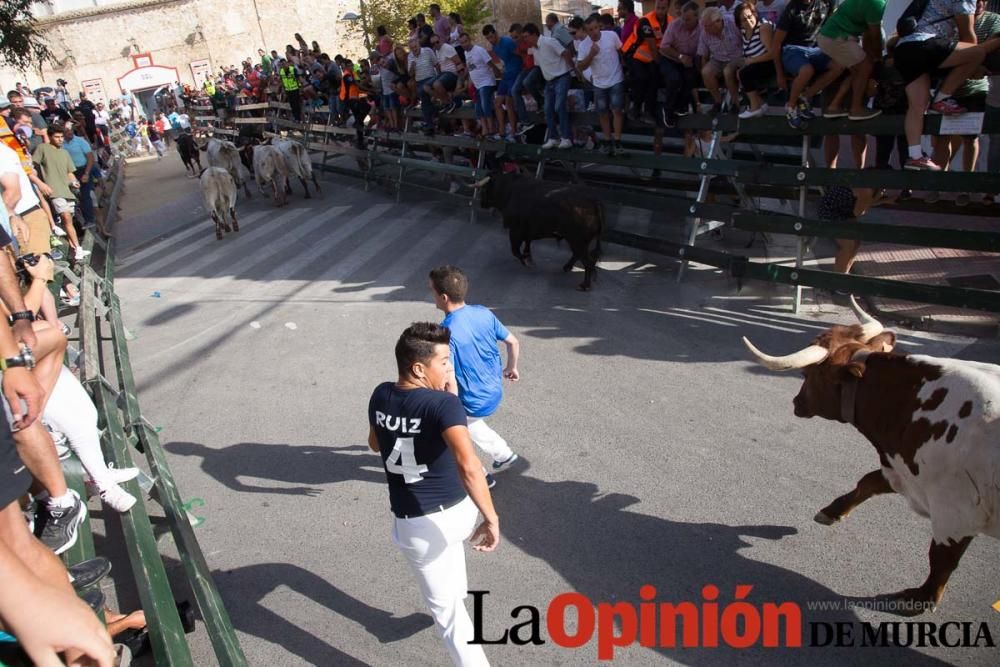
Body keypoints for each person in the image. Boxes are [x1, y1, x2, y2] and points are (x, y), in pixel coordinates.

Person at [367, 322, 499, 667]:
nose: (449, 369)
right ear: (418, 368)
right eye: (444, 363)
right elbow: (469, 466)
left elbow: (373, 443)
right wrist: (491, 517)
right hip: (458, 513)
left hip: (419, 523)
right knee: (451, 571)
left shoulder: (380, 395)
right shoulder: (444, 405)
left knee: (449, 615)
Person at [429, 265, 521, 478]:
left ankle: (479, 476)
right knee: (470, 424)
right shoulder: (483, 313)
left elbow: (447, 376)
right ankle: (503, 453)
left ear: (443, 297)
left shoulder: (445, 332)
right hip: (494, 392)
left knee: (451, 434)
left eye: (431, 291)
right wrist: (511, 367)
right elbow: (513, 342)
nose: (431, 295)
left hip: (471, 401)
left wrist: (444, 407)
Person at [891, 0, 1000, 170]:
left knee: (917, 106)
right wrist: (974, 66)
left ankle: (915, 155)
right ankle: (942, 98)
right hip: (925, 44)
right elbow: (969, 38)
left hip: (904, 50)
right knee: (977, 52)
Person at [773, 0, 843, 129]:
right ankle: (790, 106)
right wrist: (779, 73)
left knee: (839, 66)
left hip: (817, 50)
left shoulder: (826, 4)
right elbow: (776, 43)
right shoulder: (792, 9)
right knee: (807, 71)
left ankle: (805, 97)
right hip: (792, 49)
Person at [816, 0, 885, 120]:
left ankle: (834, 106)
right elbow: (875, 34)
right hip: (837, 37)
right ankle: (856, 109)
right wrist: (878, 58)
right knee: (865, 66)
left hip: (831, 36)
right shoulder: (877, 3)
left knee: (857, 71)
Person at [578, 13, 627, 154]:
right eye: (590, 30)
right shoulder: (584, 45)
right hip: (599, 83)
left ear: (599, 27)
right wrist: (591, 55)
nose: (593, 32)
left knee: (617, 110)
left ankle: (617, 141)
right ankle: (607, 140)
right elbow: (580, 67)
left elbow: (621, 51)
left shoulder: (611, 35)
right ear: (586, 31)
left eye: (595, 28)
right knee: (602, 112)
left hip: (616, 78)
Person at [523, 22, 574, 148]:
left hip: (562, 76)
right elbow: (540, 66)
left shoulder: (549, 41)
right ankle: (553, 137)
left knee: (559, 106)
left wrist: (573, 70)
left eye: (526, 36)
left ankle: (566, 137)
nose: (525, 40)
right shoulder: (534, 49)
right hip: (549, 80)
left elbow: (565, 52)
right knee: (547, 109)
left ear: (534, 35)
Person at [660, 2, 702, 127]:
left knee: (692, 79)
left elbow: (703, 49)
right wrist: (679, 56)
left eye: (688, 20)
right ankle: (667, 110)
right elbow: (664, 47)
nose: (684, 22)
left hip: (689, 60)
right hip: (670, 58)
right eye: (683, 18)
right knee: (674, 79)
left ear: (696, 17)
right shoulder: (674, 25)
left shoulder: (702, 28)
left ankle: (679, 107)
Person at [698, 7, 744, 112]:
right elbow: (703, 54)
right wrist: (703, 73)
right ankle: (717, 101)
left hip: (737, 57)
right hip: (718, 59)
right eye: (704, 26)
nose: (705, 29)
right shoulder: (705, 31)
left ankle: (735, 102)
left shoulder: (733, 23)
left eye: (708, 26)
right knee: (706, 72)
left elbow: (746, 40)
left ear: (718, 21)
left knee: (728, 71)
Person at [736, 1, 778, 118]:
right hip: (757, 63)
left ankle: (755, 108)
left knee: (744, 74)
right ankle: (761, 104)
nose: (748, 21)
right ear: (739, 24)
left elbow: (772, 54)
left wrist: (752, 61)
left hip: (771, 62)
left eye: (749, 16)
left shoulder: (763, 27)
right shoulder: (743, 31)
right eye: (744, 20)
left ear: (755, 14)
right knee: (739, 73)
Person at [484, 24, 522, 142]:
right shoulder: (494, 48)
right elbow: (506, 60)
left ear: (495, 33)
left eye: (491, 37)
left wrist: (522, 70)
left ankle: (514, 133)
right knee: (497, 102)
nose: (491, 40)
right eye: (488, 38)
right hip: (506, 75)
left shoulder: (508, 42)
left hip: (515, 73)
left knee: (509, 102)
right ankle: (502, 132)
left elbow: (520, 54)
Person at [459, 32, 501, 139]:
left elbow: (490, 63)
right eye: (462, 43)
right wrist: (463, 77)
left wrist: (498, 74)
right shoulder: (465, 53)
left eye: (466, 41)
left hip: (487, 82)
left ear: (470, 40)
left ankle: (491, 129)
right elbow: (469, 67)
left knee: (484, 103)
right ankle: (485, 128)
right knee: (478, 106)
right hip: (477, 85)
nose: (465, 44)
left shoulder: (479, 50)